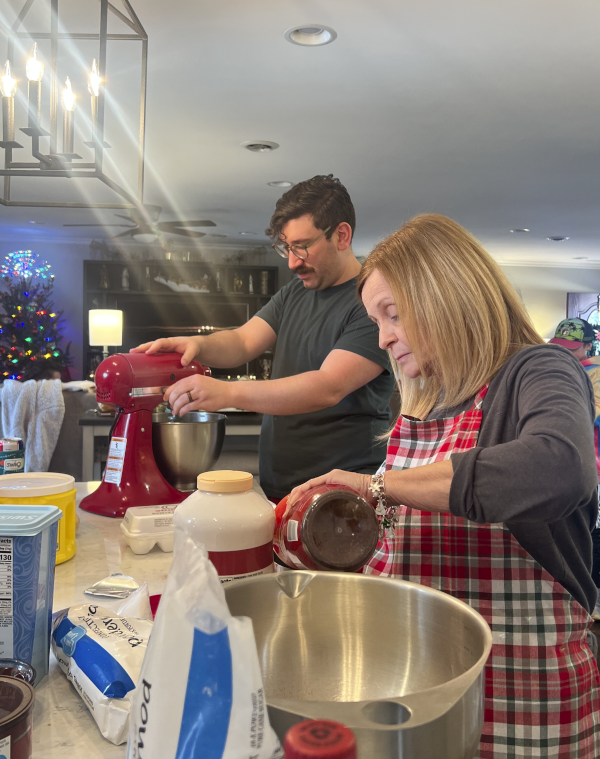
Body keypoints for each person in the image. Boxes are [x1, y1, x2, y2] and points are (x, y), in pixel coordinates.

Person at [291, 214, 600, 758]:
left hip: (524, 689)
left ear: (447, 293)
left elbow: (559, 468)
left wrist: (379, 485)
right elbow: (405, 541)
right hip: (421, 685)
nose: (383, 337)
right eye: (375, 321)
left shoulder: (538, 370)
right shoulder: (421, 404)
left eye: (392, 314)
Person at [132, 175, 394, 499]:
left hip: (343, 492)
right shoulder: (295, 293)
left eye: (302, 246)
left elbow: (327, 386)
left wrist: (227, 392)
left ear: (341, 235)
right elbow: (242, 342)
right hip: (280, 486)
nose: (293, 261)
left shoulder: (370, 301)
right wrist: (198, 345)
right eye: (287, 248)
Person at [549, 317, 600, 618]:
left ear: (588, 346)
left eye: (572, 347)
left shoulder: (593, 373)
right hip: (572, 466)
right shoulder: (564, 369)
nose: (565, 351)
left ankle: (594, 598)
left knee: (591, 530)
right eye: (561, 345)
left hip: (591, 468)